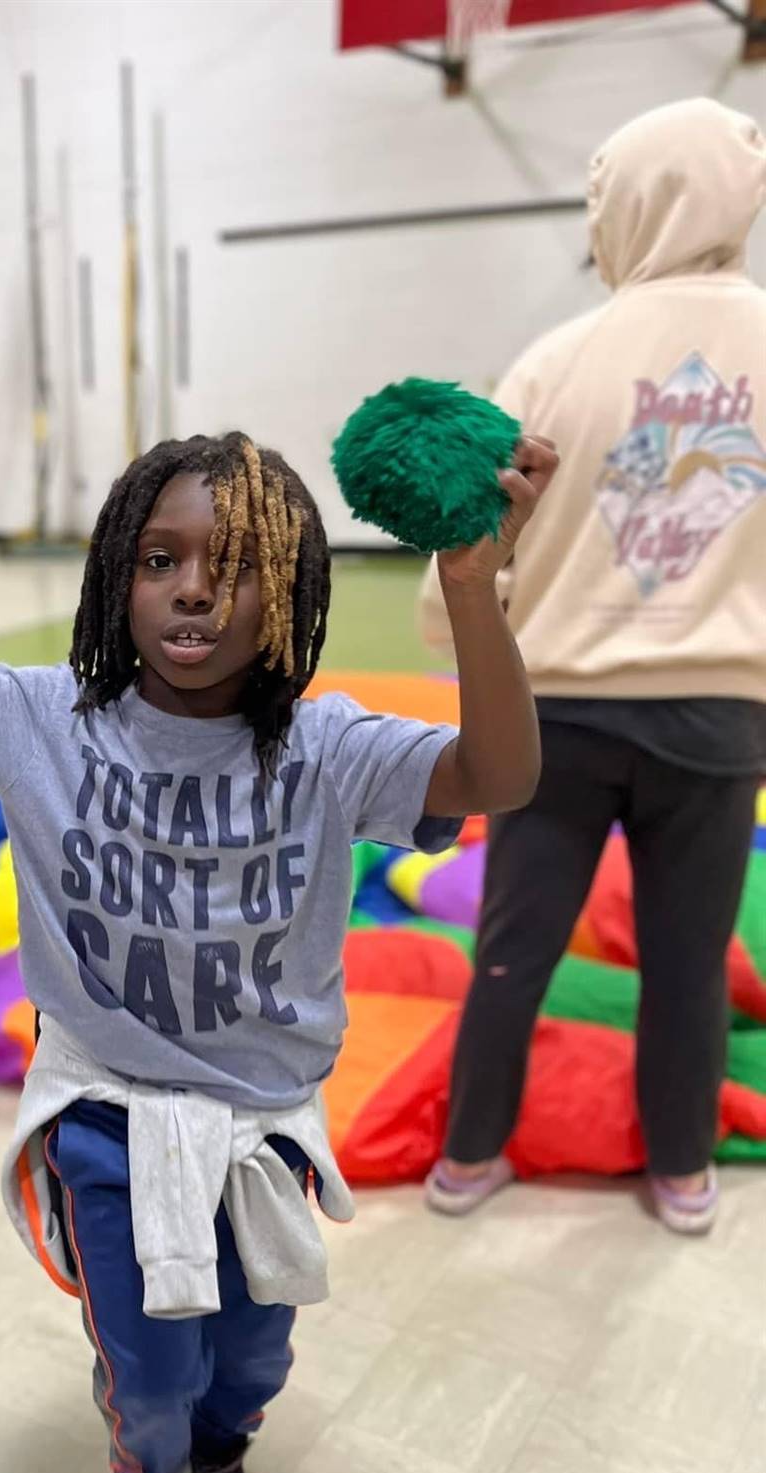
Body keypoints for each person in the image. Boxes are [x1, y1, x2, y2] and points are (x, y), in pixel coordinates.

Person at [0, 421, 553, 1473]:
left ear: (295, 590)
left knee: (250, 1361)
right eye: (159, 560)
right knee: (151, 1371)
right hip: (106, 1114)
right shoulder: (37, 719)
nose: (195, 586)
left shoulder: (328, 747)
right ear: (116, 576)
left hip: (263, 1127)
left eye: (238, 563)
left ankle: (219, 1470)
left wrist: (471, 583)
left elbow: (500, 777)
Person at [420, 98, 766, 1235]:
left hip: (554, 718)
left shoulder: (553, 360)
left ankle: (468, 1156)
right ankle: (682, 1171)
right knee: (690, 958)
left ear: (620, 207)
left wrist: (462, 633)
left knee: (514, 946)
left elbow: (469, 559)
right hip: (721, 720)